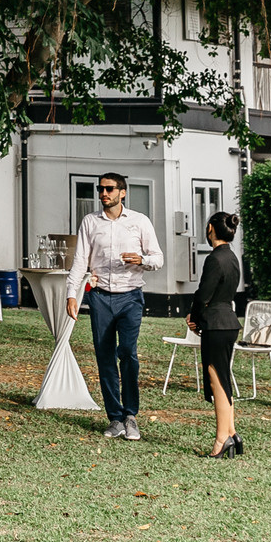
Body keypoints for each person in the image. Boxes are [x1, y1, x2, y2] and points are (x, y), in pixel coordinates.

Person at [64, 171, 163, 441]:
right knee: (104, 357)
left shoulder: (139, 222)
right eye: (101, 189)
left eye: (109, 189)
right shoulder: (90, 222)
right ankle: (115, 418)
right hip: (100, 297)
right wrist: (71, 294)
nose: (103, 194)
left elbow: (158, 258)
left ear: (122, 192)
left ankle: (131, 415)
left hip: (131, 296)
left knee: (128, 353)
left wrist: (140, 259)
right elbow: (80, 260)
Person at [189, 211, 244, 458]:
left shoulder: (214, 258)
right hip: (228, 322)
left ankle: (222, 439)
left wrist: (194, 317)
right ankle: (231, 433)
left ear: (211, 228)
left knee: (216, 380)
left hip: (216, 323)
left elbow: (203, 294)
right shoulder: (231, 257)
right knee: (222, 378)